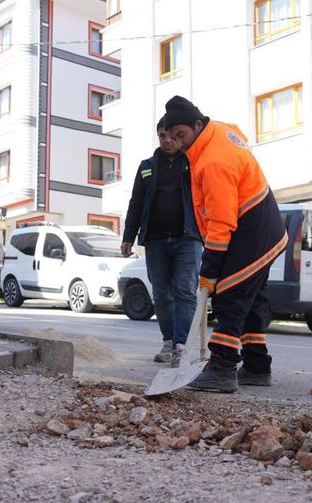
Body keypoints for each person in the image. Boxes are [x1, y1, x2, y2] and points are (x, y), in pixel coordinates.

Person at [162, 95, 287, 393]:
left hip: (251, 227)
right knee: (252, 298)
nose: (179, 143)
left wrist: (211, 270)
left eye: (182, 135)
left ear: (197, 124)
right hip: (266, 225)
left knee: (230, 294)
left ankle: (222, 366)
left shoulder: (213, 162)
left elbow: (221, 222)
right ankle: (257, 365)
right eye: (173, 137)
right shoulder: (219, 130)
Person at [120, 117, 203, 366]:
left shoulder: (192, 163)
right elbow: (136, 203)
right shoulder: (147, 166)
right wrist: (128, 237)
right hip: (155, 241)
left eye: (171, 135)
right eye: (162, 136)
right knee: (162, 294)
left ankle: (182, 346)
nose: (167, 141)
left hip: (187, 239)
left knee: (185, 292)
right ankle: (168, 342)